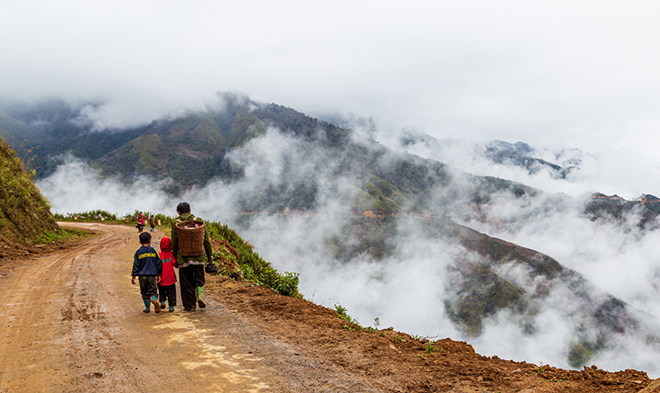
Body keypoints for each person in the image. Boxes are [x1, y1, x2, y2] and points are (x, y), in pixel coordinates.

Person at [171, 202, 213, 311]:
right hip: (198, 256)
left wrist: (174, 256)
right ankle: (199, 294)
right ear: (190, 211)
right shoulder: (198, 220)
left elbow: (174, 242)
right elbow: (206, 240)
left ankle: (190, 306)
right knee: (198, 278)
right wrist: (209, 256)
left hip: (183, 257)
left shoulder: (175, 223)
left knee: (186, 282)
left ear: (179, 212)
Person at [131, 232, 162, 313]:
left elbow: (135, 265)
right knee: (153, 291)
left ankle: (147, 308)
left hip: (142, 276)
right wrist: (159, 274)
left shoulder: (138, 252)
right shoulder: (153, 251)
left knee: (144, 292)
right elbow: (158, 263)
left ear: (140, 242)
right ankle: (154, 300)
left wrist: (134, 276)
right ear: (150, 240)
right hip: (152, 275)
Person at [157, 236, 177, 312]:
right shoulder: (171, 255)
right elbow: (175, 263)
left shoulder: (159, 255)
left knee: (161, 291)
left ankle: (162, 301)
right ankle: (171, 306)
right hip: (170, 277)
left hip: (161, 278)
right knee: (171, 292)